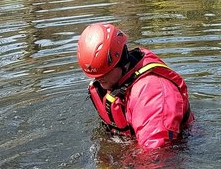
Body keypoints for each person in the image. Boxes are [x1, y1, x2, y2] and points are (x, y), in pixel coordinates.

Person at [76, 22, 192, 151]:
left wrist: (116, 168)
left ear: (121, 60)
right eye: (95, 76)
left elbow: (157, 158)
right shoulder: (116, 81)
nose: (98, 80)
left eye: (104, 73)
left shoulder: (152, 91)